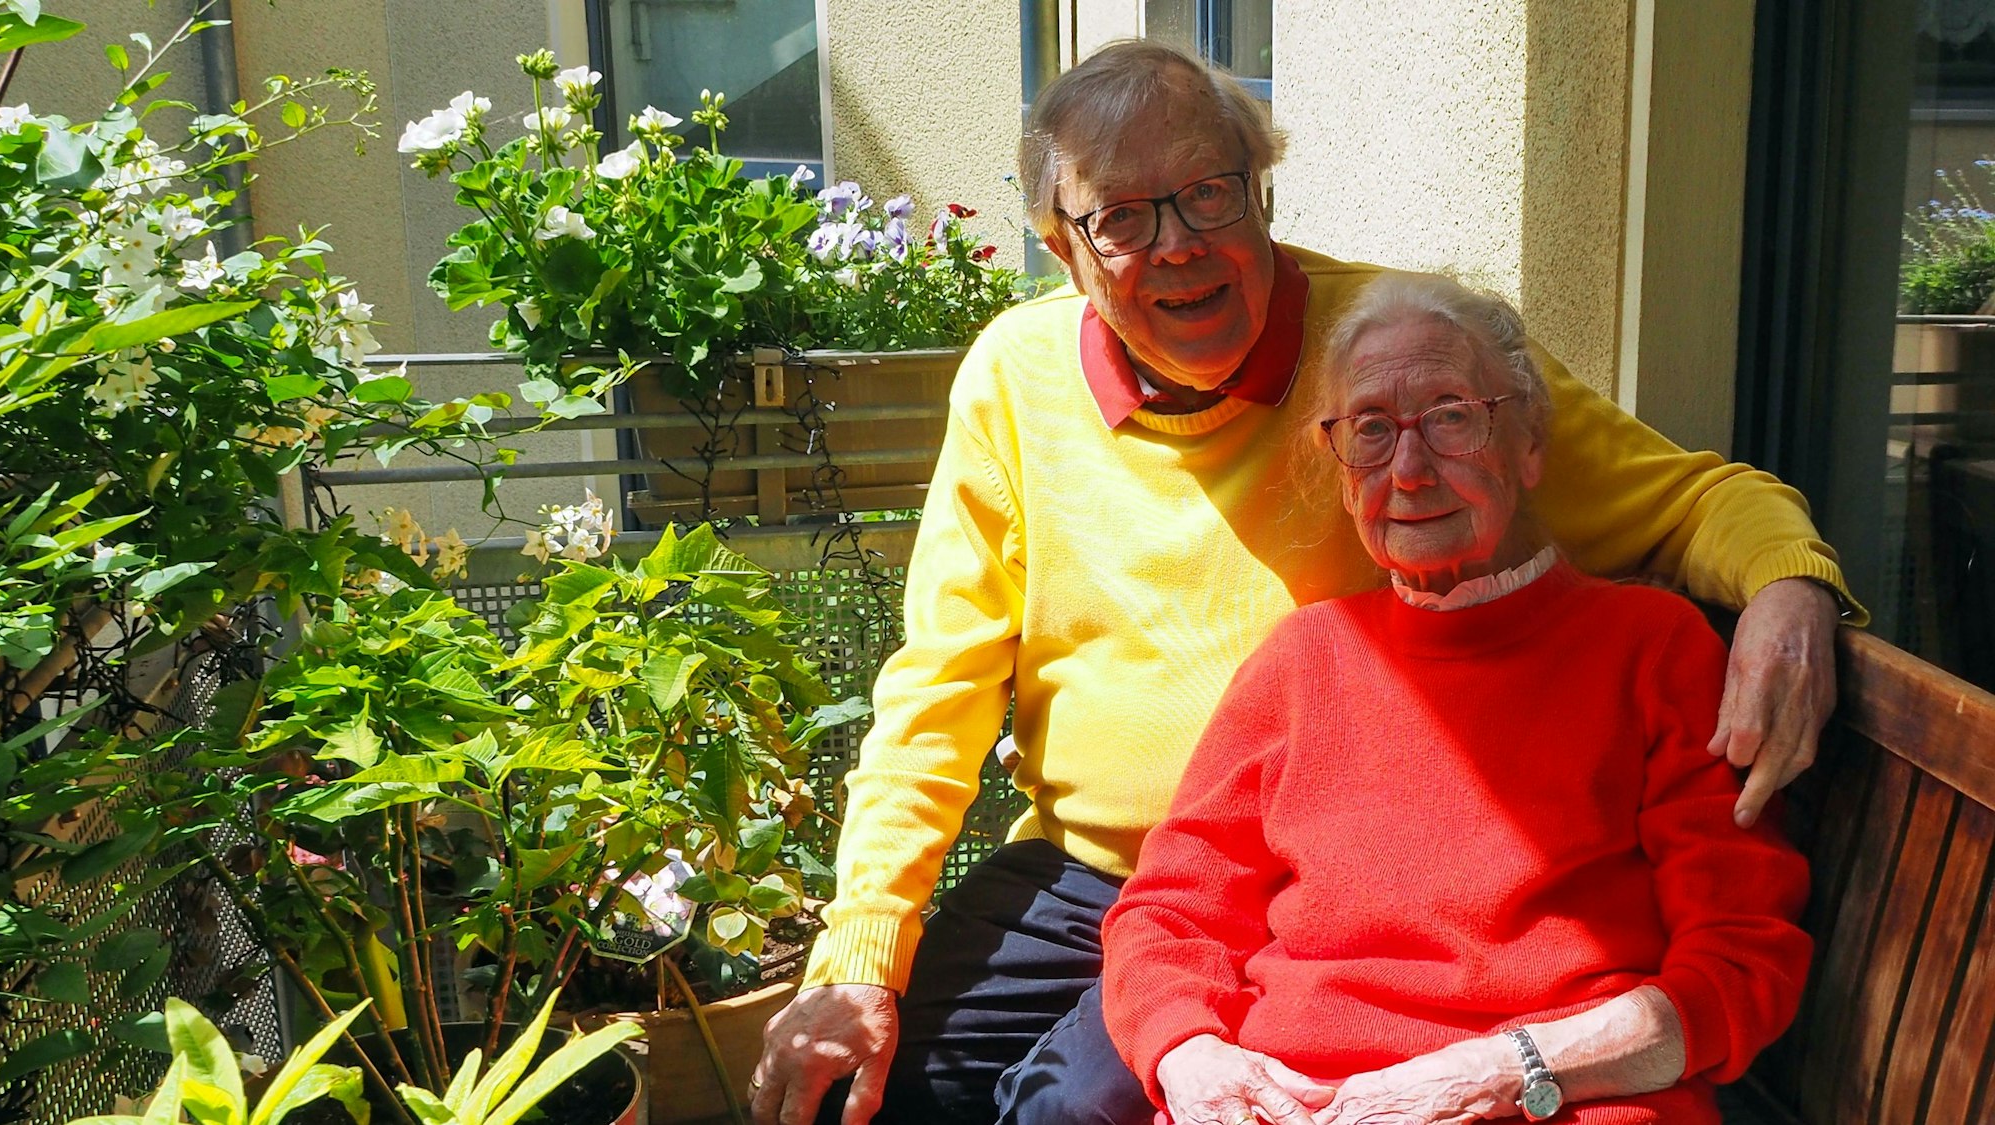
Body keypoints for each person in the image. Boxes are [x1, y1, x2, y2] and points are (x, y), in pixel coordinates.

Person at [750, 40, 1856, 1125]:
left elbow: (1697, 500)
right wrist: (857, 956)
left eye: (1206, 194)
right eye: (1121, 217)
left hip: (1291, 895)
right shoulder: (1013, 376)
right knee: (874, 1090)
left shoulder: (1400, 354)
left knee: (1081, 1100)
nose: (1175, 245)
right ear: (1061, 246)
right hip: (1092, 873)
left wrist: (1789, 586)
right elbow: (933, 690)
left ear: (1260, 193)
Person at [1100, 271, 1812, 1125]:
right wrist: (1190, 1052)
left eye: (1449, 417)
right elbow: (1170, 909)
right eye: (1370, 429)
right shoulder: (1304, 657)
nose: (1408, 469)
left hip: (1548, 1099)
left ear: (1530, 443)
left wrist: (1502, 1073)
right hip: (1297, 1103)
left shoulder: (1650, 647)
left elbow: (1741, 960)